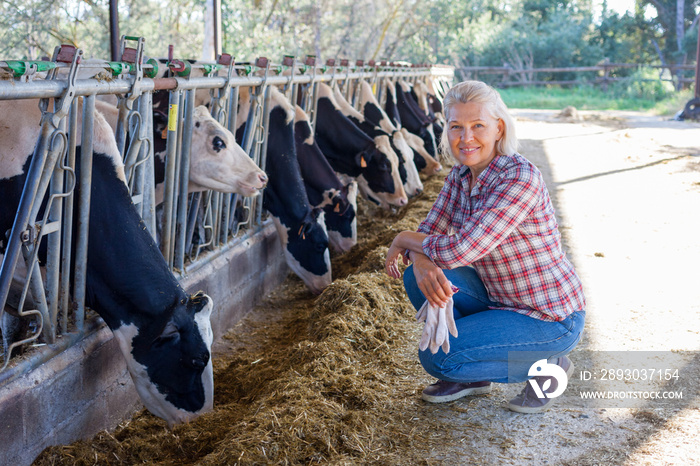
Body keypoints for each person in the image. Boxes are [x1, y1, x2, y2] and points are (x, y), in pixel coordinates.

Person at [385, 80, 585, 413]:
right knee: (414, 278)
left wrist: (404, 239)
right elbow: (431, 230)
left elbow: (460, 250)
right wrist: (419, 257)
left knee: (440, 359)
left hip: (548, 316)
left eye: (478, 126)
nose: (466, 138)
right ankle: (475, 375)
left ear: (499, 128)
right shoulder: (461, 174)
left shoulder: (519, 178)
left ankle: (551, 363)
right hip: (498, 297)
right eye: (456, 127)